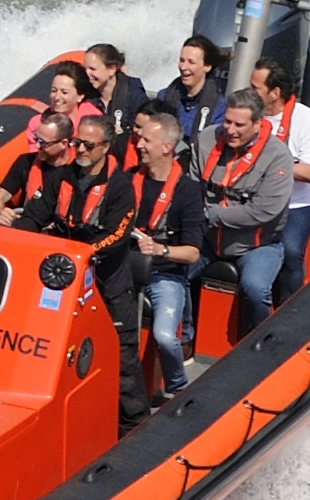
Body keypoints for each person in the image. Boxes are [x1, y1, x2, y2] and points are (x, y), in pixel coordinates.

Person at [26, 114, 149, 432]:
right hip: (62, 278)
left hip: (105, 278)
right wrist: (22, 241)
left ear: (106, 147)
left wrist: (81, 255)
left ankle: (133, 423)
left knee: (122, 350)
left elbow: (116, 235)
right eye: (77, 142)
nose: (79, 149)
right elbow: (34, 215)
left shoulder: (120, 189)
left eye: (87, 144)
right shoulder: (60, 177)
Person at [198, 86, 293, 335]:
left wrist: (211, 214)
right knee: (171, 271)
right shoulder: (207, 139)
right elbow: (192, 187)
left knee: (255, 288)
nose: (230, 130)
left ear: (257, 124)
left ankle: (257, 341)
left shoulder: (277, 156)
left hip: (256, 246)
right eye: (227, 122)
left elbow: (263, 211)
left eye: (239, 125)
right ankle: (186, 335)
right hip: (207, 240)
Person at [127, 105, 206, 401]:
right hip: (125, 269)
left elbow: (193, 254)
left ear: (167, 147)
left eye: (146, 140)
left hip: (165, 275)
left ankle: (178, 389)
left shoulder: (187, 192)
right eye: (140, 138)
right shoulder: (127, 179)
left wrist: (160, 249)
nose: (139, 144)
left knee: (163, 336)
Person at [250, 58, 310, 306]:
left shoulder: (305, 118)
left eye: (255, 88)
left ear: (275, 93)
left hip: (295, 206)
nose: (249, 93)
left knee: (291, 253)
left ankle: (288, 309)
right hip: (254, 202)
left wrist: (271, 167)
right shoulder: (248, 116)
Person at [0, 112, 74, 228]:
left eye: (43, 143)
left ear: (63, 143)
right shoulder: (25, 162)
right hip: (27, 229)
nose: (37, 146)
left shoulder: (80, 171)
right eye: (36, 138)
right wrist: (0, 214)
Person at [160, 34, 227, 172]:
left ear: (207, 66)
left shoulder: (219, 108)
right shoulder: (164, 97)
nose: (184, 67)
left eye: (191, 62)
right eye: (181, 60)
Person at [83, 44, 148, 150]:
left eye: (92, 69)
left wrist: (122, 133)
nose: (87, 73)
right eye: (85, 68)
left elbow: (144, 129)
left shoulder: (133, 93)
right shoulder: (87, 96)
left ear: (111, 69)